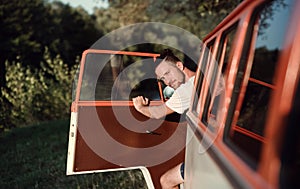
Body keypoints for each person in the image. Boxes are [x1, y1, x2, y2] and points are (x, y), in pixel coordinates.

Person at [132, 49, 196, 189]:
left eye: (167, 73)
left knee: (166, 180)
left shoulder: (186, 90)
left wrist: (140, 107)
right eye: (162, 79)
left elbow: (157, 113)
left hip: (206, 160)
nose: (167, 82)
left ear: (179, 66)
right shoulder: (200, 79)